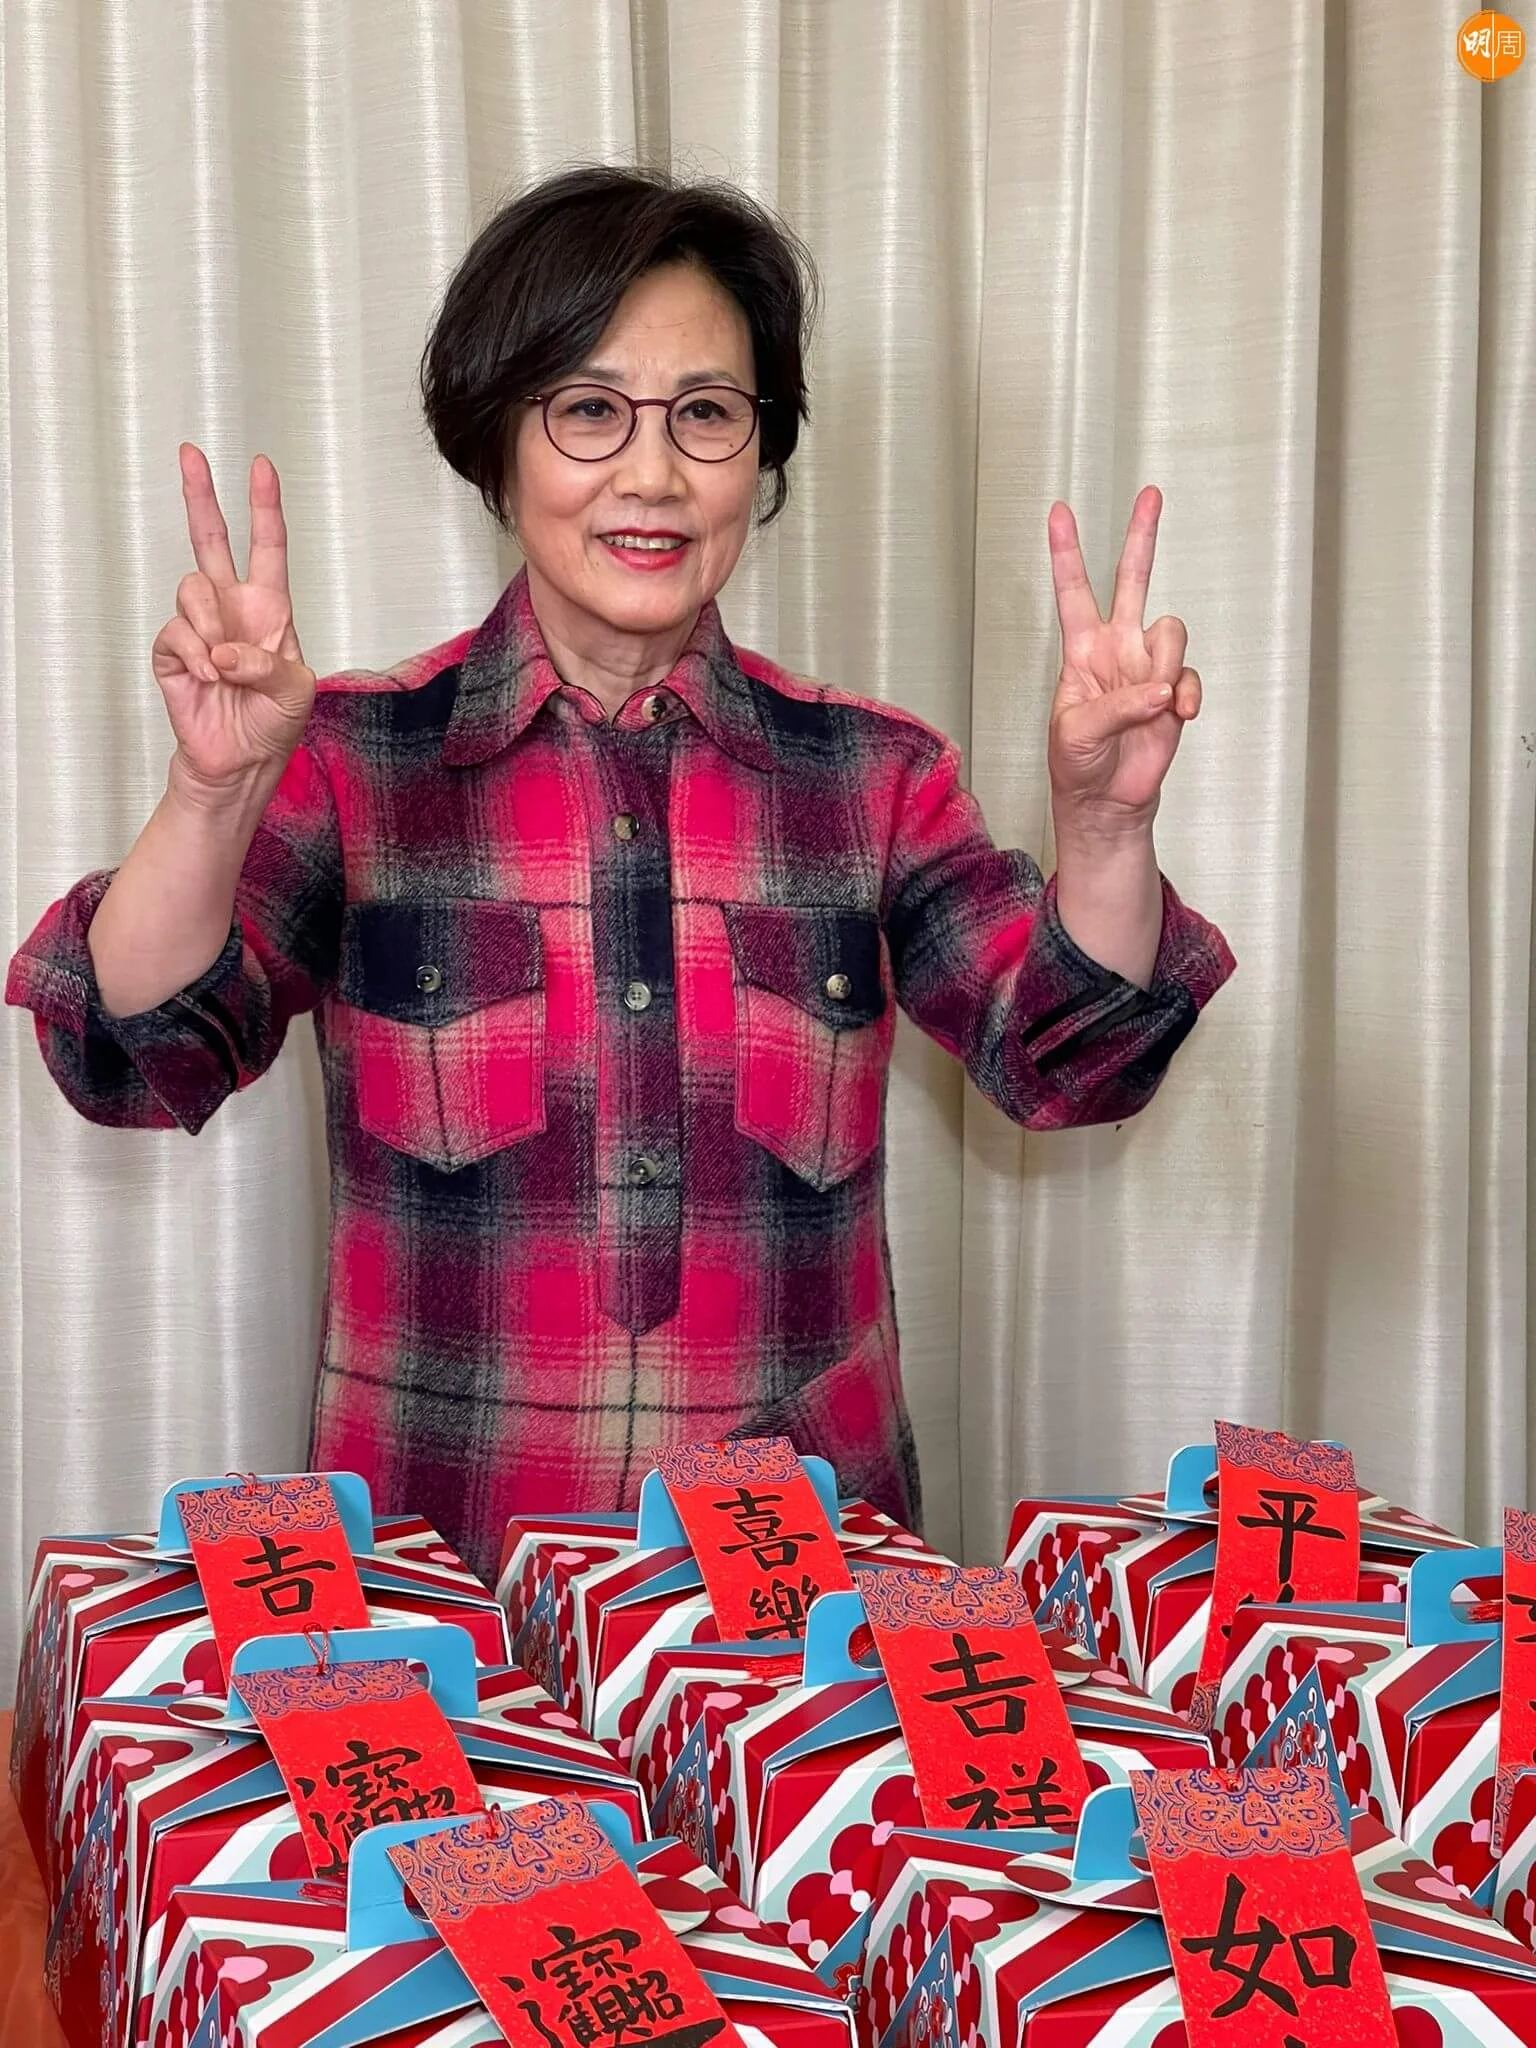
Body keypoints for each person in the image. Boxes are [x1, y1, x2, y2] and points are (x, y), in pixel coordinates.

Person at [6, 166, 1234, 1586]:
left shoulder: (872, 773)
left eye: (706, 415)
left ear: (759, 456)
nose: (652, 475)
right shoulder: (354, 756)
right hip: (446, 1587)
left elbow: (1070, 1063)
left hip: (803, 1605)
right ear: (499, 449)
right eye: (590, 411)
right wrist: (214, 792)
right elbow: (132, 1056)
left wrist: (1105, 829)